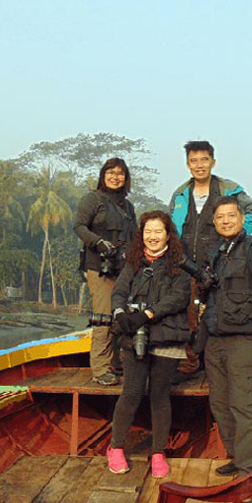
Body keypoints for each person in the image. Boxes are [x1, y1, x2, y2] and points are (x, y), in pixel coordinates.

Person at [105, 211, 196, 478]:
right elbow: (119, 291)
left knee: (159, 395)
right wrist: (120, 314)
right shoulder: (133, 263)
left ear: (168, 234)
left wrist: (147, 314)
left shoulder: (178, 264)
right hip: (135, 337)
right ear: (141, 235)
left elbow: (179, 298)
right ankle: (116, 448)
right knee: (131, 393)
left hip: (167, 335)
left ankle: (158, 452)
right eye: (148, 232)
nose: (153, 237)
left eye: (158, 231)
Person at [201, 197, 252, 477]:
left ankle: (249, 466)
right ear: (214, 221)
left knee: (243, 403)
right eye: (220, 217)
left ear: (242, 218)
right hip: (215, 339)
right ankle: (236, 455)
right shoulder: (217, 252)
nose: (225, 221)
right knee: (220, 403)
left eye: (230, 215)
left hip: (243, 339)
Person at [73, 158, 137, 386]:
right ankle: (100, 369)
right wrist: (98, 242)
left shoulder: (128, 207)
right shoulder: (93, 199)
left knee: (122, 317)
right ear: (103, 175)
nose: (115, 177)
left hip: (124, 269)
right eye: (110, 172)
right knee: (103, 317)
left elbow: (135, 237)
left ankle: (117, 364)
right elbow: (79, 226)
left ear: (126, 178)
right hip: (99, 268)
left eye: (120, 173)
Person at [167, 140, 252, 262]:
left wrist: (239, 235)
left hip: (221, 262)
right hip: (184, 266)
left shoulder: (228, 190)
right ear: (188, 165)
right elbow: (169, 226)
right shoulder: (180, 195)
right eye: (194, 161)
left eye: (204, 160)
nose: (199, 165)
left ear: (213, 162)